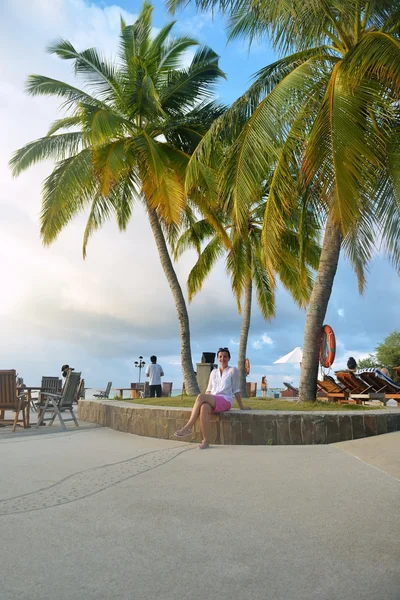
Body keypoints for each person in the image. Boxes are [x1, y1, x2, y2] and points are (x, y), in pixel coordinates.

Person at [174, 347, 251, 449]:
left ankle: (189, 426)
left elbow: (236, 390)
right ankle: (205, 441)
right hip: (213, 398)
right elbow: (209, 390)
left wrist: (242, 407)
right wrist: (204, 400)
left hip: (225, 400)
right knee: (203, 408)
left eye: (225, 357)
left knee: (200, 396)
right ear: (217, 358)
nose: (222, 359)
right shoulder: (213, 372)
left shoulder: (233, 371)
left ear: (229, 358)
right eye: (220, 356)